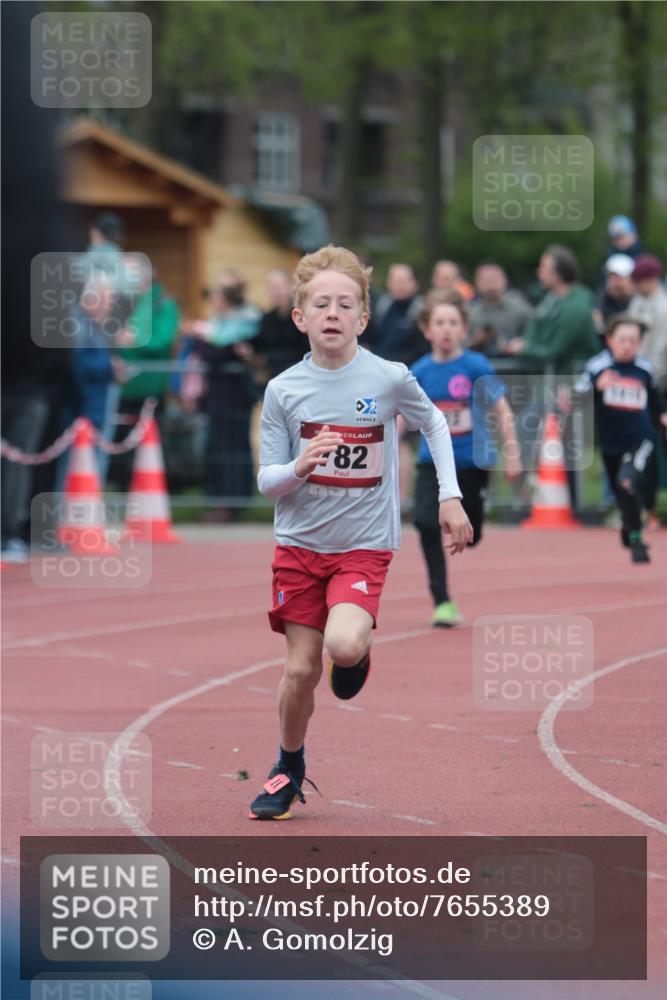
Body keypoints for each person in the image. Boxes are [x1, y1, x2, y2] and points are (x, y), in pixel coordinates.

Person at [249, 246, 471, 820]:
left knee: (342, 646)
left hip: (363, 548)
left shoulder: (389, 378)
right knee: (300, 669)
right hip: (299, 547)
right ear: (299, 316)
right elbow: (267, 480)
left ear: (363, 318)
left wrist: (450, 495)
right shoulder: (283, 390)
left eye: (345, 304)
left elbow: (435, 423)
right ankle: (287, 766)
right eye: (320, 303)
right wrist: (299, 466)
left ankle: (356, 653)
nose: (332, 312)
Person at [410, 292, 522, 626]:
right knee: (426, 523)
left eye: (453, 323)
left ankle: (472, 522)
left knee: (471, 532)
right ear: (426, 329)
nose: (446, 330)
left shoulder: (476, 366)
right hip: (431, 461)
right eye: (439, 323)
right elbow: (401, 417)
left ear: (464, 329)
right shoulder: (419, 371)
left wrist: (512, 454)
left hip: (472, 461)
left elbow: (501, 408)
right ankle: (442, 601)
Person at [575, 314, 667, 563]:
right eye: (623, 340)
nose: (628, 345)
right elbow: (577, 400)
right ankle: (630, 527)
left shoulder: (644, 369)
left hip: (641, 439)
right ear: (610, 340)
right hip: (611, 442)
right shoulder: (597, 367)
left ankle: (637, 539)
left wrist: (663, 416)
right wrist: (597, 387)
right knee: (622, 492)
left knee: (628, 481)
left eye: (633, 341)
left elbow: (656, 401)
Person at [190, 274, 261, 521]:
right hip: (217, 399)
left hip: (235, 398)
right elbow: (209, 351)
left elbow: (215, 354)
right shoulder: (218, 324)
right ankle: (220, 502)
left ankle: (233, 504)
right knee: (216, 451)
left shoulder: (245, 323)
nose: (213, 302)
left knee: (233, 451)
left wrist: (205, 343)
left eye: (217, 297)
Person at [113, 263, 181, 491]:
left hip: (151, 385)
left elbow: (162, 339)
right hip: (124, 386)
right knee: (122, 441)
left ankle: (154, 490)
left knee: (152, 441)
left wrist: (134, 341)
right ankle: (124, 488)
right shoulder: (123, 303)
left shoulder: (164, 304)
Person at [364, 263, 425, 365]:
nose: (398, 285)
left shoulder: (420, 311)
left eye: (403, 281)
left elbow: (421, 350)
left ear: (415, 284)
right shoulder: (381, 307)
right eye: (394, 280)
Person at [467, 262, 533, 356]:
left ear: (505, 281)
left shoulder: (521, 310)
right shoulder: (471, 313)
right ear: (477, 283)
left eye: (494, 279)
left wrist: (519, 344)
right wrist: (477, 340)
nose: (491, 285)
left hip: (513, 365)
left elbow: (535, 336)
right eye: (486, 280)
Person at [252, 269, 306, 381]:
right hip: (274, 377)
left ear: (291, 288)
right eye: (273, 288)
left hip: (299, 376)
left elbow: (303, 350)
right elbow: (260, 343)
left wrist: (269, 358)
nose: (277, 293)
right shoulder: (267, 318)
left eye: (280, 287)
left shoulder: (302, 316)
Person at [594, 254, 636, 332]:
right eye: (611, 276)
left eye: (618, 276)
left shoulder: (638, 299)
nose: (613, 280)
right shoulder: (604, 296)